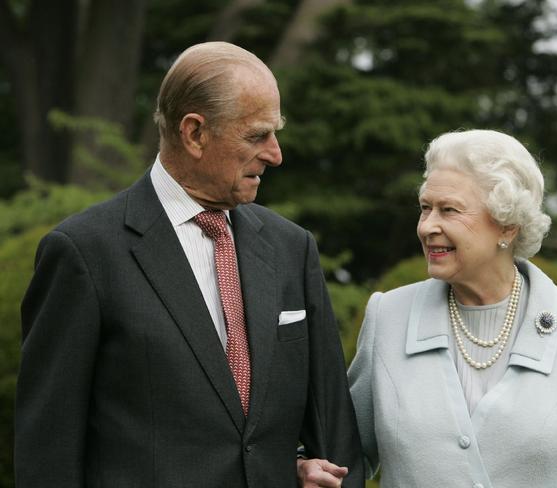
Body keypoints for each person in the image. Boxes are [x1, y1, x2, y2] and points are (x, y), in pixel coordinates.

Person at [15, 41, 363, 488]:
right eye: (257, 135)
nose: (275, 154)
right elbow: (48, 453)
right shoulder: (83, 252)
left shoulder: (291, 248)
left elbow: (334, 436)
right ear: (195, 133)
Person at [299, 129, 557, 487]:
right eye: (425, 208)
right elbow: (342, 454)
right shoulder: (388, 317)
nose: (427, 226)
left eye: (449, 210)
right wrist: (305, 467)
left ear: (508, 226)